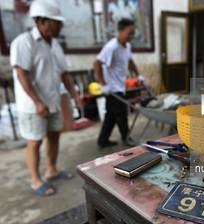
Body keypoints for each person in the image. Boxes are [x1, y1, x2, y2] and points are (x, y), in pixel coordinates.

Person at [10, 0, 82, 196]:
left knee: (54, 135)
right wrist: (38, 102)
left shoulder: (55, 45)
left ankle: (52, 170)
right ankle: (35, 180)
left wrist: (75, 96)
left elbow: (64, 74)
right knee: (35, 141)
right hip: (33, 105)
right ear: (42, 21)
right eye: (56, 22)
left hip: (53, 100)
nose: (60, 26)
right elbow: (21, 74)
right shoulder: (24, 42)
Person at [93, 18, 144, 148]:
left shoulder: (127, 46)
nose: (131, 36)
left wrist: (138, 75)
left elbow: (130, 61)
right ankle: (126, 138)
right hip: (112, 88)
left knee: (111, 116)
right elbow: (97, 63)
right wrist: (103, 84)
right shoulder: (111, 47)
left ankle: (102, 140)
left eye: (133, 33)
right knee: (121, 114)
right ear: (120, 31)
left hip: (120, 86)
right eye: (129, 33)